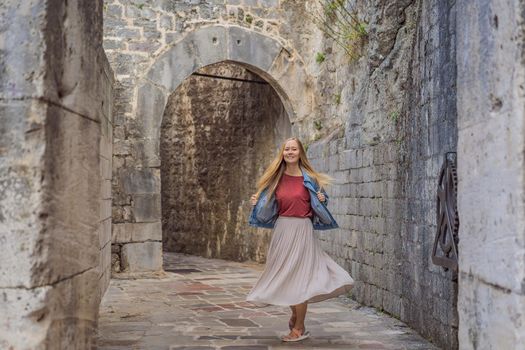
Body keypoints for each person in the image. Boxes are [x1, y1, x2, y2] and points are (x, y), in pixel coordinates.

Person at [246, 137, 354, 342]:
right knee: (287, 275)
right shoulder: (275, 178)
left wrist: (324, 199)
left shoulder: (310, 178)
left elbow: (321, 200)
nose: (290, 152)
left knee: (301, 277)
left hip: (303, 230)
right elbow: (264, 202)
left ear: (300, 152)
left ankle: (300, 326)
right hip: (282, 230)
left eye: (293, 149)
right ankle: (295, 313)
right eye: (286, 149)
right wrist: (256, 201)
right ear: (282, 153)